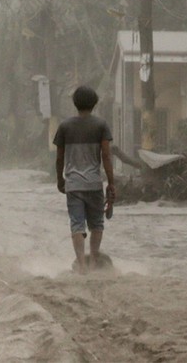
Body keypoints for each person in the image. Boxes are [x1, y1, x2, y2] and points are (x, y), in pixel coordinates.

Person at [52, 84, 114, 273]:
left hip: (73, 185)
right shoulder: (101, 125)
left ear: (75, 103)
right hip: (94, 183)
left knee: (77, 224)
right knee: (96, 224)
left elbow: (60, 157)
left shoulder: (64, 127)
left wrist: (60, 180)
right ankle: (94, 261)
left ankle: (81, 264)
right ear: (94, 103)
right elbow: (106, 156)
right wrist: (111, 183)